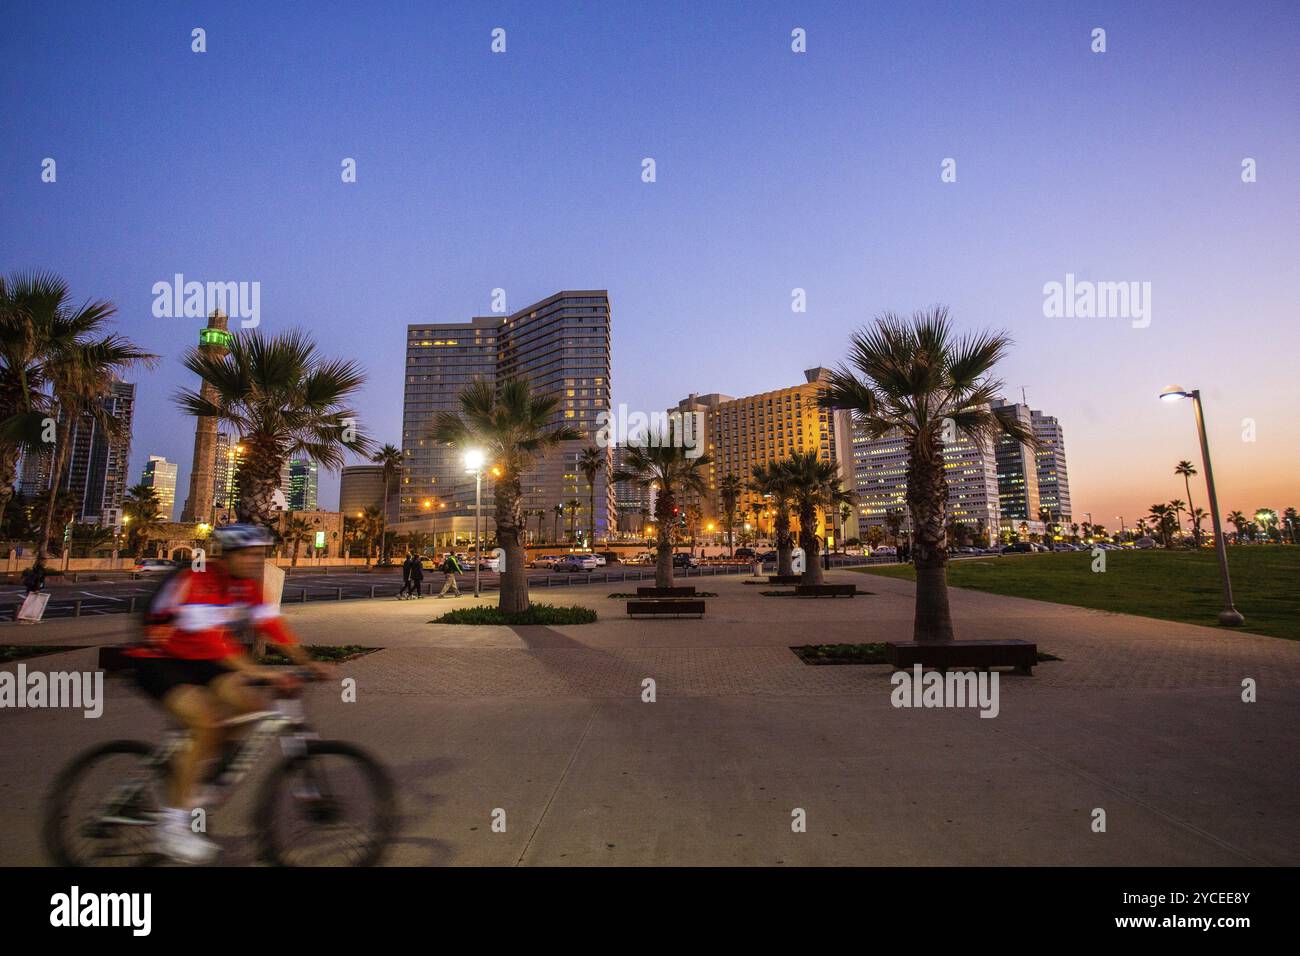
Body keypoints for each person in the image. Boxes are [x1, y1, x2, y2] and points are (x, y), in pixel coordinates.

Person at [125, 523, 326, 864]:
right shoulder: (199, 580)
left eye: (260, 554)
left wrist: (309, 662)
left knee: (249, 708)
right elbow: (213, 643)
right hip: (159, 659)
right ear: (227, 554)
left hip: (203, 661)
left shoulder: (246, 587)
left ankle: (197, 775)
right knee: (206, 718)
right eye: (247, 554)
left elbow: (270, 624)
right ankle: (171, 829)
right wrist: (261, 672)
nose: (254, 561)